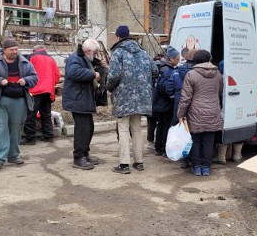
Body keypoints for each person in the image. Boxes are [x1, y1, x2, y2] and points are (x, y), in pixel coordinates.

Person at [106, 25, 157, 174]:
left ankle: (124, 164)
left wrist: (109, 87)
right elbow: (155, 70)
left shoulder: (118, 52)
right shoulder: (143, 52)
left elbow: (114, 75)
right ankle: (139, 162)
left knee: (123, 129)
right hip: (142, 98)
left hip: (123, 98)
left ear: (118, 37)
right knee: (136, 129)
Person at [0, 39, 38, 170]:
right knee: (0, 128)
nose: (15, 52)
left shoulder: (25, 62)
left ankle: (13, 156)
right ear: (4, 50)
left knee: (16, 128)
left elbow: (35, 77)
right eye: (12, 50)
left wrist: (26, 80)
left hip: (19, 100)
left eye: (16, 49)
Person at [177, 50, 223, 176]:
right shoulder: (218, 74)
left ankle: (197, 167)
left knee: (195, 140)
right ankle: (206, 168)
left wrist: (181, 114)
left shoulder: (191, 74)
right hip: (213, 111)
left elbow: (185, 98)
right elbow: (219, 92)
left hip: (195, 113)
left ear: (195, 60)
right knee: (208, 140)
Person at [63, 39, 105, 170]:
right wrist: (93, 74)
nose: (96, 55)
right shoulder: (74, 58)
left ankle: (85, 154)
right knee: (82, 130)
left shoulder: (83, 57)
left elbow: (87, 64)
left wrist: (98, 64)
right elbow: (73, 72)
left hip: (83, 99)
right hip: (78, 99)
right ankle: (78, 157)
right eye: (95, 53)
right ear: (88, 51)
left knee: (89, 128)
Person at [21, 45, 61, 145]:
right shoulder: (51, 59)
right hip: (48, 91)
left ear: (34, 50)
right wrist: (51, 84)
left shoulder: (31, 57)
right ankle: (48, 136)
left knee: (30, 114)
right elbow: (57, 76)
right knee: (46, 114)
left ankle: (30, 138)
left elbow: (25, 72)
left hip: (35, 90)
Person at [167, 49, 197, 169]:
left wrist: (175, 98)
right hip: (195, 105)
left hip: (179, 104)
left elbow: (169, 87)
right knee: (193, 131)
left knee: (181, 131)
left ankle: (183, 158)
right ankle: (193, 158)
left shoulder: (176, 71)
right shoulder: (197, 73)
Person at [152, 47, 180, 157]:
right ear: (171, 59)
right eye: (177, 59)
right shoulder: (167, 70)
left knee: (160, 125)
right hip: (165, 103)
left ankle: (158, 148)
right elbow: (165, 88)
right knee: (166, 126)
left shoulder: (162, 68)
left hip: (160, 103)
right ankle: (163, 148)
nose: (178, 61)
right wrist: (173, 97)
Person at [147, 53, 165, 148]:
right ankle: (155, 142)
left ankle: (150, 141)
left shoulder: (148, 72)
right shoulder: (162, 72)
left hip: (150, 101)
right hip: (158, 103)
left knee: (151, 122)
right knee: (159, 123)